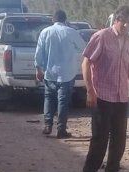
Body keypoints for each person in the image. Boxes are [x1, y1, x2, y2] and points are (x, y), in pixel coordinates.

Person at [81, 5, 129, 172]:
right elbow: (86, 62)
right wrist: (90, 90)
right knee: (100, 137)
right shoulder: (102, 36)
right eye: (124, 22)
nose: (127, 26)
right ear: (116, 20)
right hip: (102, 95)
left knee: (119, 137)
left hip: (120, 96)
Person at [35, 9, 86, 138]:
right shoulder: (71, 32)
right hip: (67, 74)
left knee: (49, 98)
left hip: (50, 73)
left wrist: (38, 69)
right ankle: (61, 129)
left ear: (53, 19)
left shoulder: (45, 32)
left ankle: (48, 126)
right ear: (65, 20)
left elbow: (39, 52)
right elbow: (84, 48)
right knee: (63, 101)